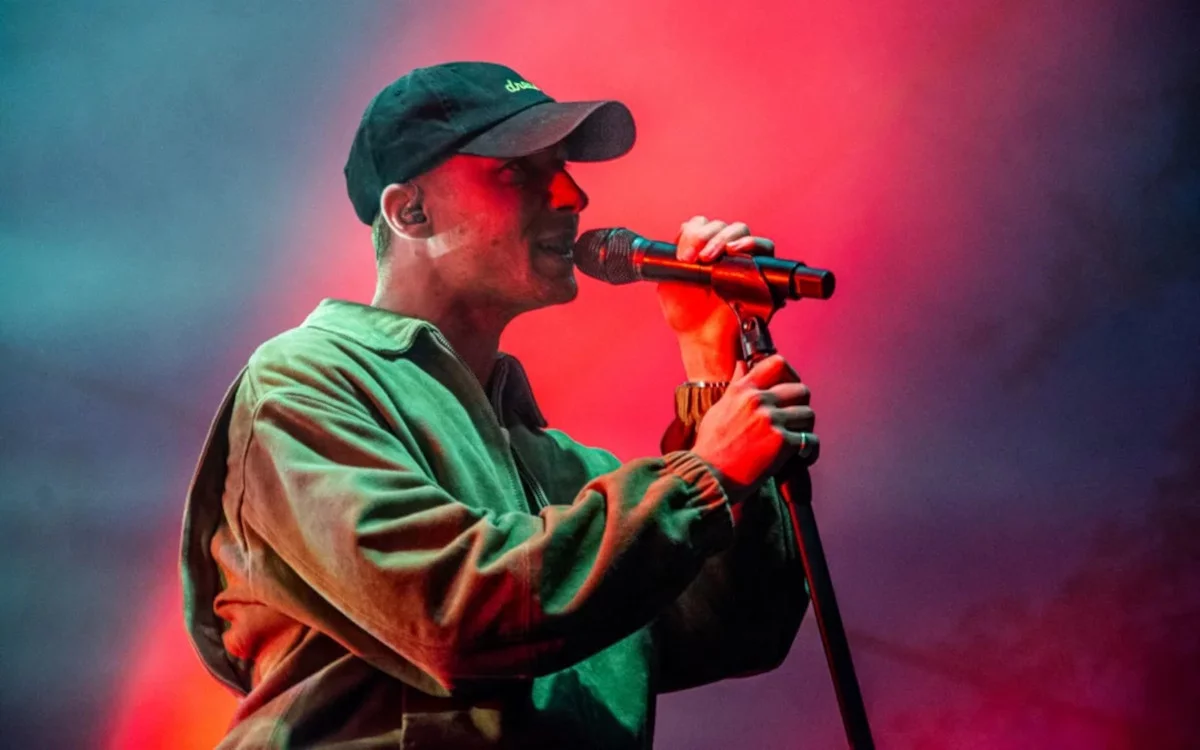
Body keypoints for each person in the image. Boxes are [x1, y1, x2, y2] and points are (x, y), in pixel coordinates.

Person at [182, 61, 815, 749]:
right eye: (518, 171)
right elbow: (450, 615)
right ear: (411, 211)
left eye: (564, 167)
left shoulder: (567, 470)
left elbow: (739, 632)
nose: (573, 195)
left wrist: (710, 365)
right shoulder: (304, 382)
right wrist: (705, 476)